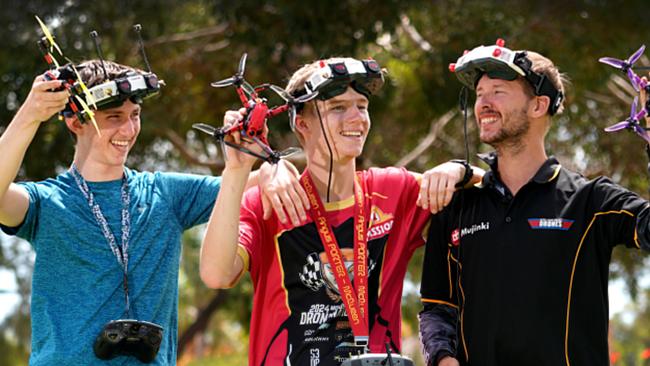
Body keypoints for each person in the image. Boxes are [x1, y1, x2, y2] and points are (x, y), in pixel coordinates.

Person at [0, 59, 307, 365]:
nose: (129, 128)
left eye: (135, 115)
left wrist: (273, 166)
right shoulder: (47, 202)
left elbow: (243, 182)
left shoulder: (165, 193)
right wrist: (30, 115)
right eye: (114, 116)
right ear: (76, 121)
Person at [199, 57, 480, 365]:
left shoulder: (393, 191)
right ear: (301, 123)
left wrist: (459, 170)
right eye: (337, 108)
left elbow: (496, 196)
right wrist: (237, 170)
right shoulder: (268, 203)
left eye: (361, 105)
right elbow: (216, 274)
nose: (356, 118)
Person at [418, 43, 650, 366]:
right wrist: (443, 360)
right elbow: (436, 310)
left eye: (498, 91)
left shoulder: (590, 201)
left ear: (539, 105)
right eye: (479, 93)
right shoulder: (455, 204)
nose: (482, 103)